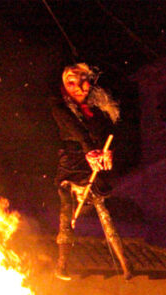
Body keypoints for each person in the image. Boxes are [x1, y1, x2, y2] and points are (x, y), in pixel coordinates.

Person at [50, 62, 128, 279]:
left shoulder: (99, 109)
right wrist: (89, 150)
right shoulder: (59, 106)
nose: (76, 87)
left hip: (90, 163)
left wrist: (107, 151)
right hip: (71, 164)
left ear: (89, 82)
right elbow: (78, 132)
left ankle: (125, 264)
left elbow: (107, 135)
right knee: (66, 208)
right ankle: (62, 264)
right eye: (70, 83)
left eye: (80, 81)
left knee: (103, 209)